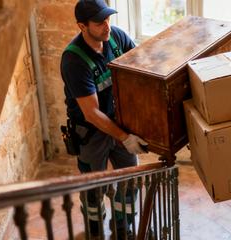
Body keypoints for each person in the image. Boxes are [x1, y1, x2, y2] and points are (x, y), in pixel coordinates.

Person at [60, 0, 148, 238]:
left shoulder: (117, 38)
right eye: (99, 23)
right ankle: (95, 226)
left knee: (130, 181)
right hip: (91, 133)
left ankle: (122, 226)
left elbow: (142, 66)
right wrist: (125, 137)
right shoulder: (74, 60)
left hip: (120, 122)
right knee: (94, 187)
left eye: (108, 19)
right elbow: (92, 113)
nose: (107, 26)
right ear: (82, 26)